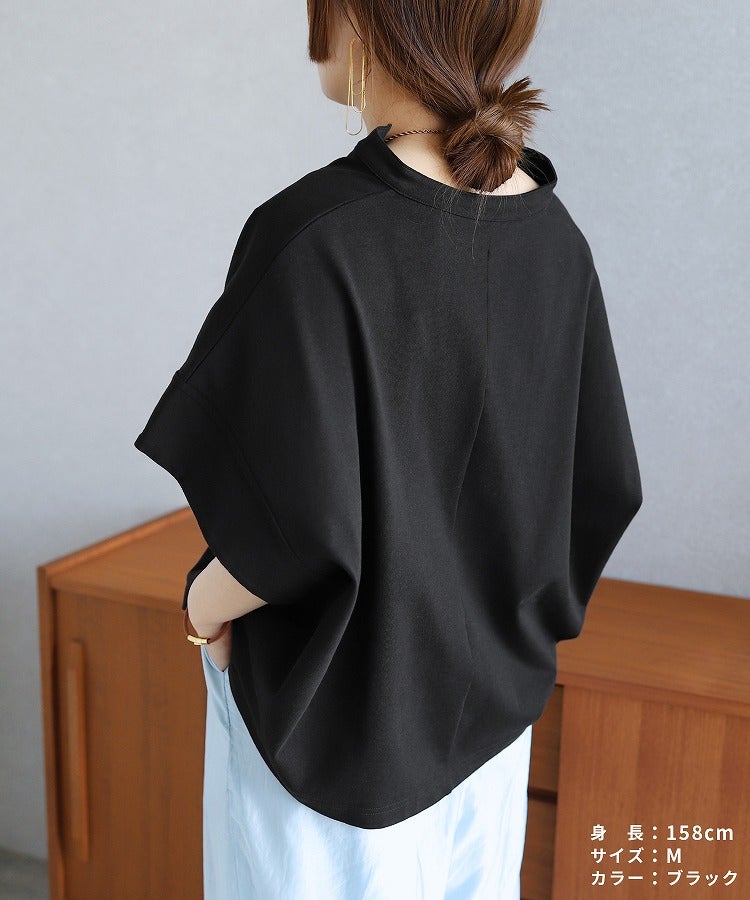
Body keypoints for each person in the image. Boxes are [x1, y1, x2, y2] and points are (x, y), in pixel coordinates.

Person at [134, 1, 643, 897]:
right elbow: (596, 488)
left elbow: (283, 534)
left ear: (366, 19)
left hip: (333, 743)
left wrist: (201, 606)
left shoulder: (316, 232)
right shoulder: (555, 236)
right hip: (489, 729)